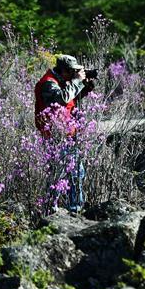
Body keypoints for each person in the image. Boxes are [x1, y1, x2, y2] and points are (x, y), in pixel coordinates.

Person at [34, 54, 95, 212]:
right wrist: (77, 82)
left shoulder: (61, 82)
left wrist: (85, 88)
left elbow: (68, 102)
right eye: (72, 72)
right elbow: (60, 99)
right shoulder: (48, 83)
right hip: (56, 137)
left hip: (65, 136)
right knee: (64, 175)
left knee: (67, 174)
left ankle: (63, 209)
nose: (75, 74)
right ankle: (65, 210)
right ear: (64, 71)